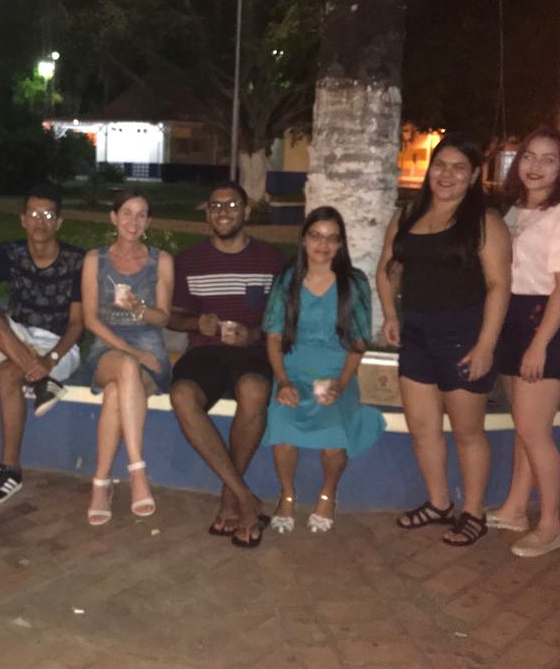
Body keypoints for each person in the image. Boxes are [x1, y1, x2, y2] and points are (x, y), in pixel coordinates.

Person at [376, 133, 511, 546]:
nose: (446, 175)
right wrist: (391, 313)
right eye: (440, 165)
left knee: (468, 431)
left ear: (474, 176)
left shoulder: (484, 222)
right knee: (422, 428)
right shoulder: (408, 215)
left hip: (463, 336)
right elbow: (387, 268)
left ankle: (474, 512)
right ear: (429, 170)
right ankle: (438, 503)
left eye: (458, 168)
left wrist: (486, 345)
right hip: (416, 334)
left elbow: (499, 286)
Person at [168, 181, 287, 548]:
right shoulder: (189, 260)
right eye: (215, 206)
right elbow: (174, 317)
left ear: (246, 211)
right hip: (205, 351)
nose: (223, 212)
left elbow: (284, 322)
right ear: (207, 213)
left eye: (232, 205)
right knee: (182, 395)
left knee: (254, 389)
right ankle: (245, 497)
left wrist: (252, 335)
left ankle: (229, 497)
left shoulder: (271, 260)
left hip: (251, 350)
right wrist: (195, 323)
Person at [488, 127, 560, 557]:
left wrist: (539, 344)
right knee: (524, 426)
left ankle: (551, 525)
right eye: (529, 156)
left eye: (549, 160)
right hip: (514, 317)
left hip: (546, 322)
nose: (535, 166)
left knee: (534, 430)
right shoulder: (517, 210)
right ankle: (515, 508)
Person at [263, 206, 386, 534]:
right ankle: (287, 494)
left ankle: (328, 493)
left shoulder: (354, 283)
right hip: (293, 372)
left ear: (341, 244)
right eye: (316, 236)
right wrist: (283, 381)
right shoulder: (288, 280)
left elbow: (358, 342)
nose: (323, 244)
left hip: (336, 374)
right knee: (281, 424)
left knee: (334, 437)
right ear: (304, 240)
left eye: (332, 238)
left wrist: (341, 384)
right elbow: (273, 337)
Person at [0, 184, 85, 506]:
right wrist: (24, 353)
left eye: (47, 215)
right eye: (33, 213)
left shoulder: (77, 260)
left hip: (58, 345)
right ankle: (33, 372)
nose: (39, 221)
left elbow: (77, 324)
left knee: (8, 373)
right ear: (22, 219)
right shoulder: (9, 252)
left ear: (58, 222)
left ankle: (10, 470)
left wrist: (50, 359)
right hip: (16, 336)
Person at [81, 188, 173, 525]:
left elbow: (162, 318)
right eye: (127, 213)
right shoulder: (95, 260)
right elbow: (90, 319)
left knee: (116, 393)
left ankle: (101, 483)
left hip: (150, 342)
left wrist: (140, 308)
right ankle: (137, 471)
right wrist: (133, 352)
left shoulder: (161, 261)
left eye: (141, 214)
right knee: (128, 366)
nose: (133, 221)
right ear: (114, 217)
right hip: (107, 345)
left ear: (148, 222)